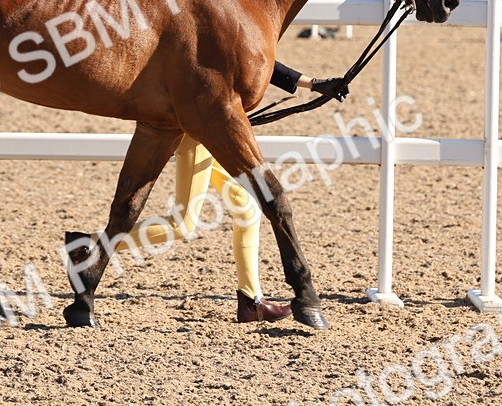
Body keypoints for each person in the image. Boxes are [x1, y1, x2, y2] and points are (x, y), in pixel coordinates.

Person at [67, 61, 325, 323]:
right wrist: (311, 84)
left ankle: (251, 301)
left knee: (246, 208)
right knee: (182, 222)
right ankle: (89, 246)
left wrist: (312, 83)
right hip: (199, 132)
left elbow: (254, 56)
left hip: (216, 127)